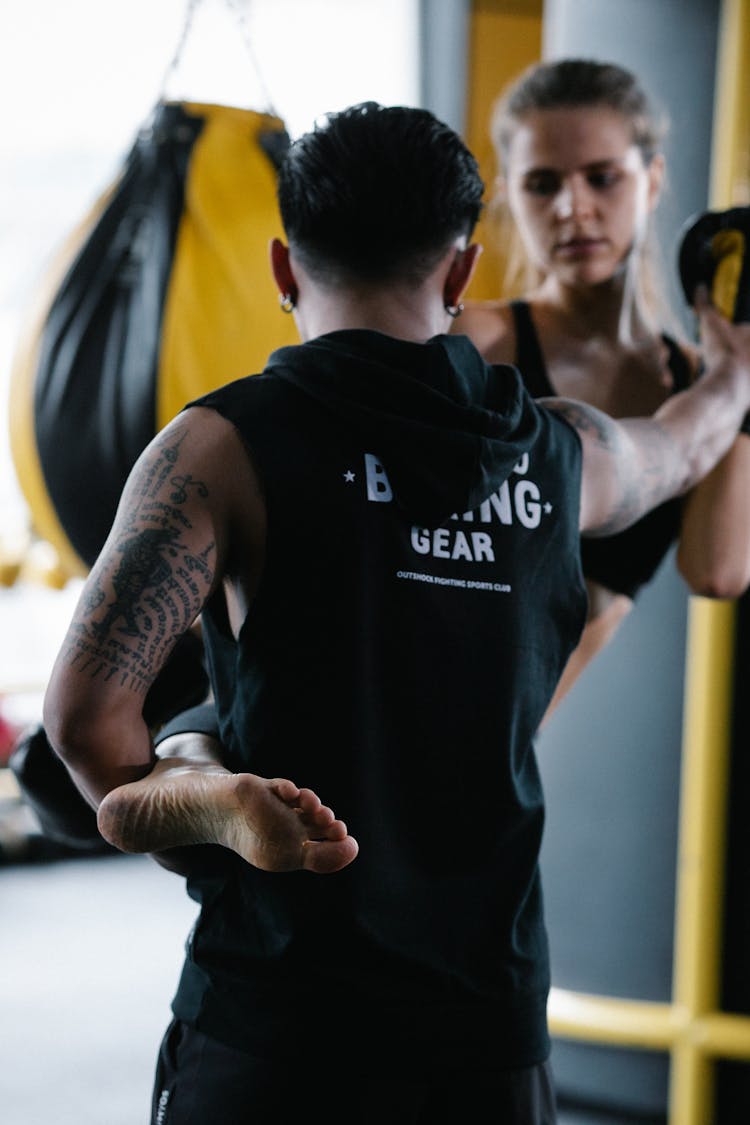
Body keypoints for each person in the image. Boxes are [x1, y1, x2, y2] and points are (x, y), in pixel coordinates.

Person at [42, 101, 750, 1125]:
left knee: (174, 750)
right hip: (485, 1019)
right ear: (461, 274)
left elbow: (83, 731)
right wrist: (733, 362)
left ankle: (219, 783)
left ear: (283, 271)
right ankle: (212, 775)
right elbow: (685, 443)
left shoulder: (219, 447)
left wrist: (189, 802)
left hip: (276, 1011)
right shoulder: (560, 452)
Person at [461, 57, 750, 714]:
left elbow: (719, 569)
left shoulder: (702, 389)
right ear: (510, 195)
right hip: (392, 719)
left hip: (503, 763)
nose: (573, 207)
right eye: (542, 184)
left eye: (602, 178)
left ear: (651, 181)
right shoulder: (474, 343)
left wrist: (739, 367)